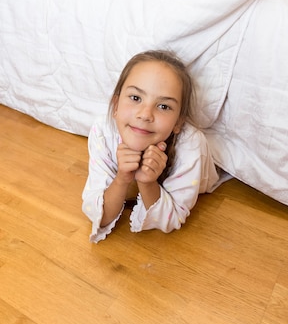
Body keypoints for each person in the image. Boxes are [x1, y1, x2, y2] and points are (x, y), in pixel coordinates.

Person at [82, 50, 220, 243]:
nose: (145, 114)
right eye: (136, 98)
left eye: (163, 106)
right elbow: (98, 214)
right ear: (115, 105)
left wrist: (147, 183)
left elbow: (171, 219)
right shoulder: (103, 131)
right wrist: (122, 179)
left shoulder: (191, 144)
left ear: (179, 122)